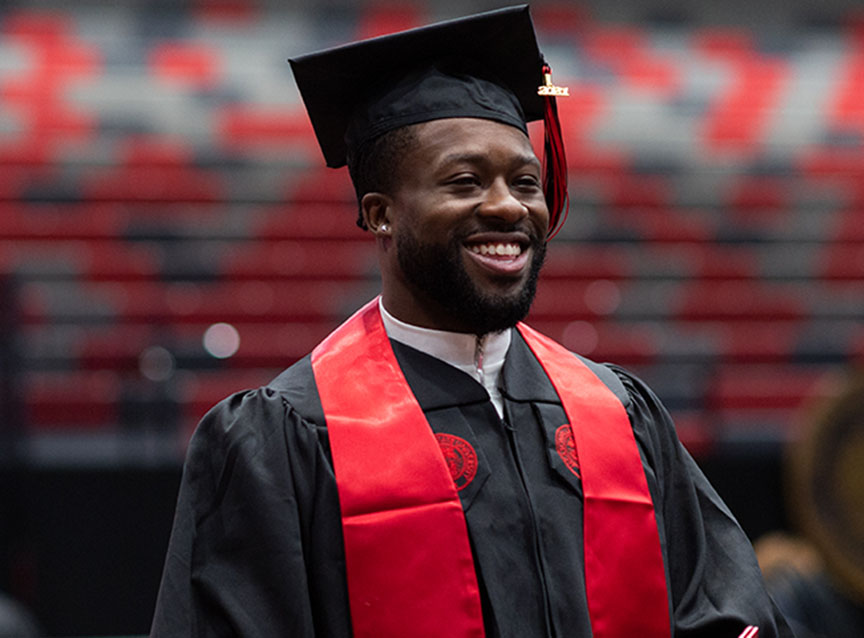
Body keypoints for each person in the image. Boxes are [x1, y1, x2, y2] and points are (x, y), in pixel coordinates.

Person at [150, 6, 792, 637]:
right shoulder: (287, 437)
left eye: (525, 182)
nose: (508, 207)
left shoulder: (618, 414)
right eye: (464, 181)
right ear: (381, 215)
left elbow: (726, 613)